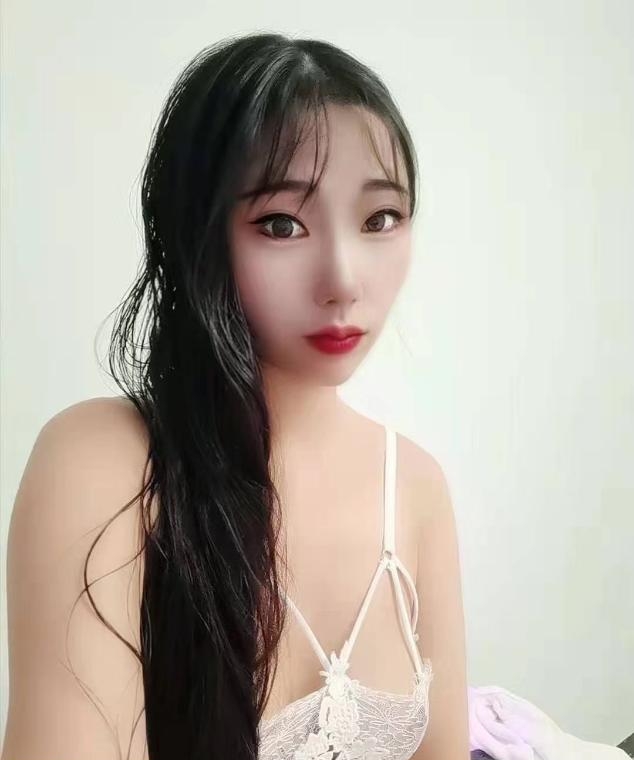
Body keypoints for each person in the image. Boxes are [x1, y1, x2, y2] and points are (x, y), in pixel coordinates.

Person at [2, 32, 470, 760]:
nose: (344, 279)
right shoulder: (104, 462)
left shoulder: (414, 487)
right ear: (199, 234)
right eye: (282, 224)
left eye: (380, 218)